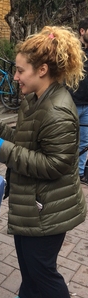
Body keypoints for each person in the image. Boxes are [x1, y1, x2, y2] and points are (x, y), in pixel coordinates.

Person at [0, 26, 87, 298]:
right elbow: (25, 140)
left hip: (48, 209)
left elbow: (56, 164)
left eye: (20, 70)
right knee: (28, 265)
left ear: (42, 70)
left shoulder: (57, 110)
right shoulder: (35, 99)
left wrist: (6, 152)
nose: (15, 77)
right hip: (32, 204)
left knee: (43, 272)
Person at [68, 17, 88, 184]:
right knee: (66, 140)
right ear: (83, 31)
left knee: (84, 143)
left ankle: (79, 174)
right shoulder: (73, 51)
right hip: (71, 103)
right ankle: (65, 172)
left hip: (87, 107)